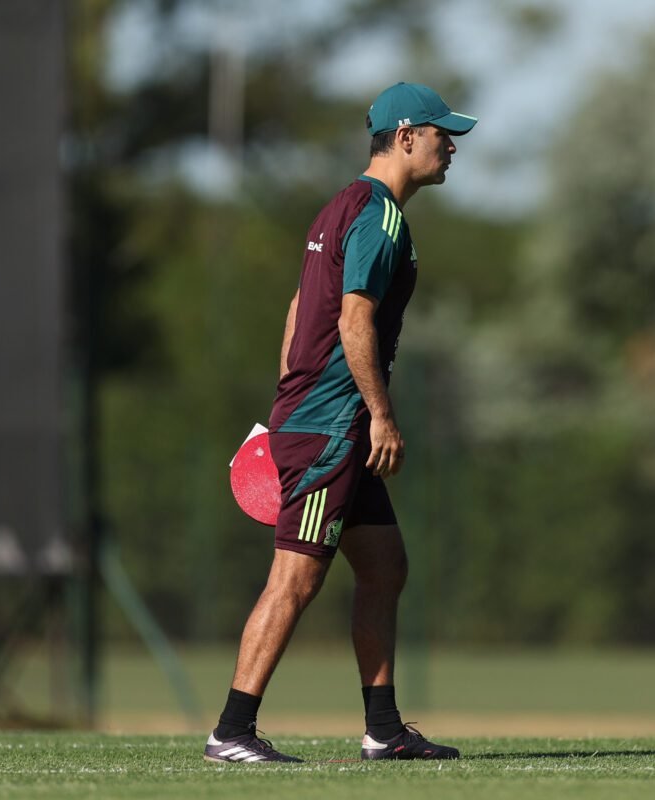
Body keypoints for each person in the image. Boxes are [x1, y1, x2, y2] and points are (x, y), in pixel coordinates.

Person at [204, 82, 477, 764]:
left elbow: (301, 308)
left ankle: (383, 731)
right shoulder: (380, 217)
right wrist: (378, 414)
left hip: (322, 420)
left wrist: (285, 402)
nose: (452, 146)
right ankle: (231, 731)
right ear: (406, 135)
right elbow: (352, 319)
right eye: (444, 134)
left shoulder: (340, 206)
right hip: (334, 426)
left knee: (384, 567)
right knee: (295, 579)